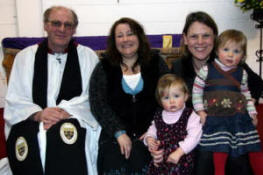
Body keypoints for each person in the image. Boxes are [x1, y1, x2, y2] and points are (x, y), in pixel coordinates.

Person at [150, 11, 263, 175]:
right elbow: (166, 101)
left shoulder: (229, 64)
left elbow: (256, 84)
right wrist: (151, 135)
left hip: (226, 127)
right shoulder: (178, 67)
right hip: (192, 133)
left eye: (206, 36)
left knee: (236, 156)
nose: (200, 42)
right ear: (185, 39)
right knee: (201, 159)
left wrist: (249, 103)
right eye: (194, 36)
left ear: (215, 39)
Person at [4, 6, 100, 175]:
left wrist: (64, 111)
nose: (62, 29)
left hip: (73, 117)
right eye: (56, 23)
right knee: (32, 137)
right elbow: (15, 97)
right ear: (45, 25)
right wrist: (38, 114)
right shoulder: (25, 57)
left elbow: (93, 96)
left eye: (68, 25)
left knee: (66, 135)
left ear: (74, 29)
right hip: (32, 119)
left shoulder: (88, 56)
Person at [89, 17, 169, 174]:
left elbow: (169, 96)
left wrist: (155, 128)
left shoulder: (156, 63)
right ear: (114, 41)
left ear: (139, 37)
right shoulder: (104, 67)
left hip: (153, 134)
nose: (125, 39)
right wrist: (119, 132)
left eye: (130, 34)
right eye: (119, 36)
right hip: (114, 136)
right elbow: (97, 103)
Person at [192, 29, 263, 175]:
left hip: (237, 118)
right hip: (215, 118)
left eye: (236, 51)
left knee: (245, 150)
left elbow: (246, 94)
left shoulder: (242, 73)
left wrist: (252, 112)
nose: (231, 54)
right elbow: (196, 92)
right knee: (218, 148)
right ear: (217, 51)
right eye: (226, 49)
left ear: (243, 55)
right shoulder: (207, 70)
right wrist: (200, 111)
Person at [144, 73, 202, 174]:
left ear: (185, 96)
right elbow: (152, 130)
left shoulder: (190, 115)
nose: (171, 101)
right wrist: (149, 139)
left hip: (182, 158)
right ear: (160, 101)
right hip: (161, 159)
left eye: (176, 96)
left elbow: (195, 136)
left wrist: (179, 152)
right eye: (166, 98)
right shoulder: (159, 116)